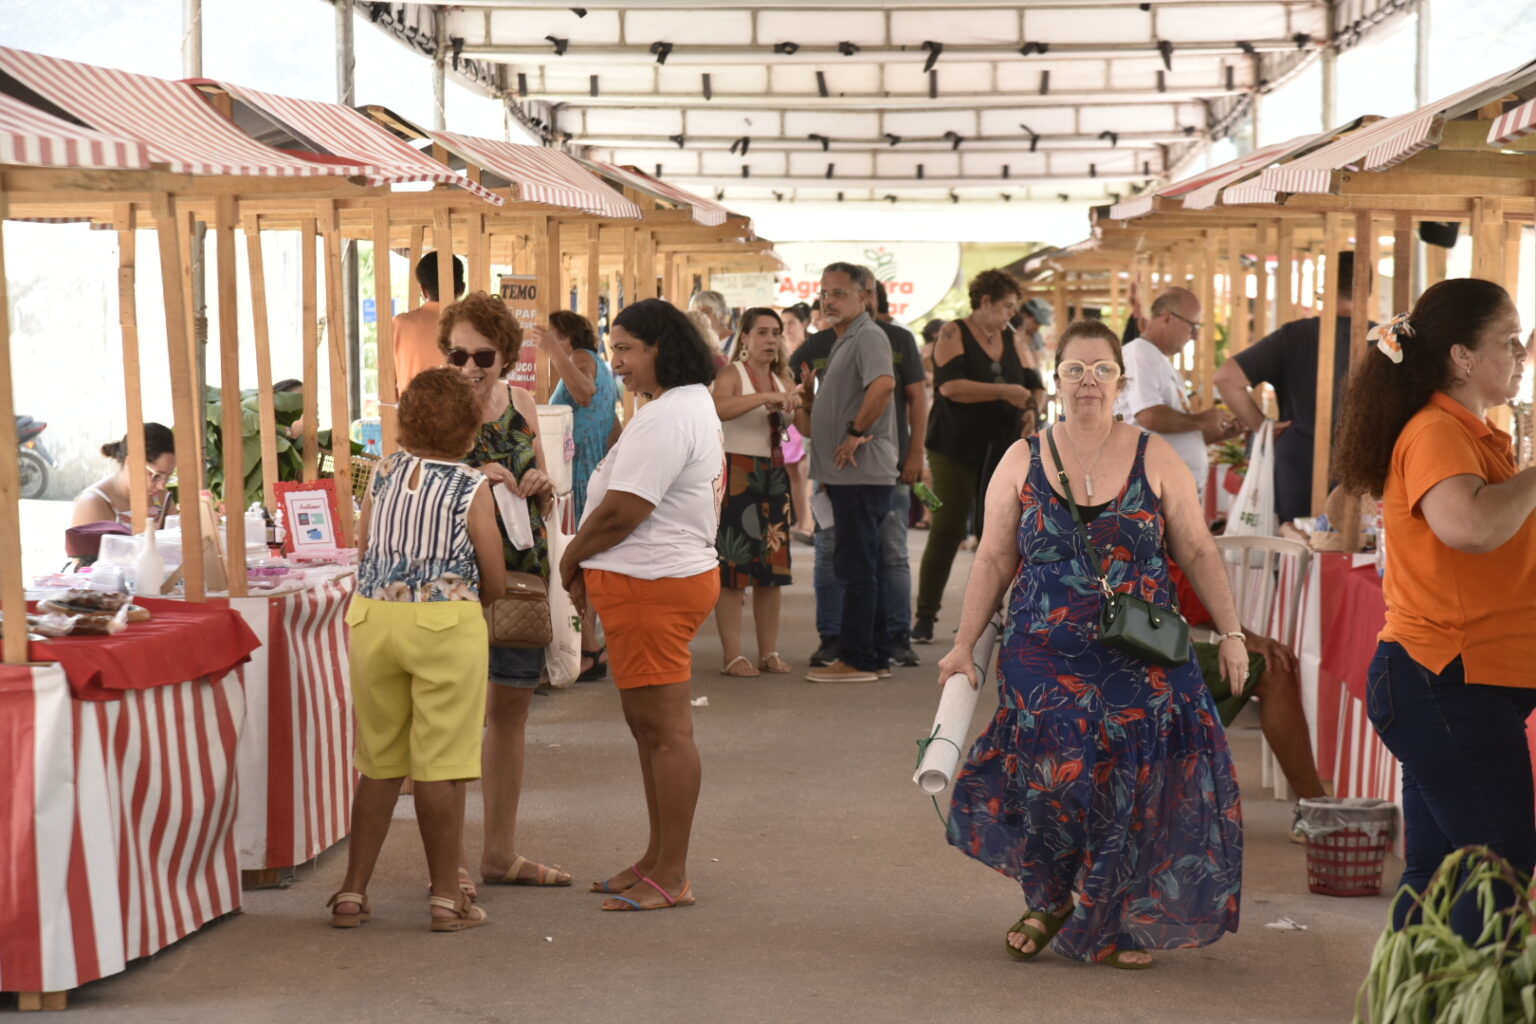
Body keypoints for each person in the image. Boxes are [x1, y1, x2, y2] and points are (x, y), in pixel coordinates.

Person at [940, 319, 1246, 968]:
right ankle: (1051, 897)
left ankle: (1115, 919)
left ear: (1121, 380)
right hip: (1043, 654)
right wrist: (963, 645)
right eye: (1075, 370)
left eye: (1101, 370)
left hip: (1140, 654)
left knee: (1129, 785)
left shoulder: (1153, 454)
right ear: (1056, 382)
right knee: (1054, 782)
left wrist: (1232, 632)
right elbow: (994, 558)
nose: (1088, 383)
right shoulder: (1022, 458)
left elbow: (1194, 546)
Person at [1333, 278, 1536, 941]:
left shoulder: (1474, 432)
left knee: (1441, 871)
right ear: (1462, 357)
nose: (1521, 354)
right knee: (1496, 874)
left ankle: (1409, 1001)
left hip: (1455, 682)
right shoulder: (1436, 432)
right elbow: (1469, 527)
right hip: (1445, 679)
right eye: (1509, 342)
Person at [558, 298, 723, 911]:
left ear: (661, 348)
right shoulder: (677, 407)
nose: (615, 361)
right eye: (615, 347)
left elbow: (627, 508)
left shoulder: (669, 415)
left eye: (626, 348)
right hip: (651, 581)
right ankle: (656, 858)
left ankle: (672, 872)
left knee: (665, 733)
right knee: (649, 729)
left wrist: (572, 557)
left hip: (654, 585)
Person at [327, 367, 503, 933]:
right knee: (440, 767)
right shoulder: (470, 486)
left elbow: (363, 546)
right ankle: (447, 898)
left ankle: (352, 891)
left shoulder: (381, 473)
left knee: (379, 762)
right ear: (471, 427)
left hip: (374, 620)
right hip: (444, 626)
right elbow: (494, 575)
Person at [444, 292, 567, 890]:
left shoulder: (522, 401)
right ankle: (451, 864)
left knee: (511, 710)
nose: (468, 368)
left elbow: (545, 485)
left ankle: (499, 851)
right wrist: (473, 476)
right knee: (455, 717)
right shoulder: (436, 405)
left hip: (520, 571)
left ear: (507, 356)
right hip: (455, 574)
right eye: (457, 354)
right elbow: (416, 476)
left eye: (481, 356)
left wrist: (539, 484)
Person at [792, 274, 927, 669]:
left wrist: (854, 433)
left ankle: (858, 658)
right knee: (861, 563)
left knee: (858, 567)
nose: (828, 301)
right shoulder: (844, 338)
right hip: (844, 473)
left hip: (861, 470)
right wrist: (808, 398)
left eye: (838, 293)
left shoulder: (868, 336)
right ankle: (875, 652)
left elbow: (884, 385)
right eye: (823, 294)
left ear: (865, 297)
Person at [913, 269, 1043, 645]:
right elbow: (951, 387)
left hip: (1002, 449)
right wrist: (1003, 392)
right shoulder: (954, 332)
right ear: (984, 302)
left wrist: (1032, 409)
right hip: (954, 446)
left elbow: (1034, 384)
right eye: (1005, 306)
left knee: (997, 531)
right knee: (949, 526)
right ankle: (925, 614)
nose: (1009, 314)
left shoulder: (1012, 337)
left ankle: (993, 615)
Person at [1215, 252, 1360, 523]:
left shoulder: (1294, 336)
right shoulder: (1383, 342)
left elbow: (1226, 378)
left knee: (1294, 553)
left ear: (1324, 289)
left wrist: (1262, 425)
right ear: (1367, 290)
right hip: (1362, 469)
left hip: (1299, 467)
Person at [535, 309, 621, 682]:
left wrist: (554, 352)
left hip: (579, 473)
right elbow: (613, 426)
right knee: (584, 562)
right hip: (595, 468)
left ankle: (589, 648)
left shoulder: (580, 360)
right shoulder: (600, 364)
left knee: (571, 560)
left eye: (552, 335)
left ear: (565, 337)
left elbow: (583, 395)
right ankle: (590, 645)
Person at [711, 308, 798, 676]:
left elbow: (801, 425)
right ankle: (733, 654)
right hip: (739, 471)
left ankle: (769, 652)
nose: (770, 340)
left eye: (775, 333)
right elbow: (719, 408)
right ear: (744, 338)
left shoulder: (781, 378)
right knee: (734, 567)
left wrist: (800, 399)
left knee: (772, 570)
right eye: (761, 332)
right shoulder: (733, 374)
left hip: (774, 473)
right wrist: (764, 399)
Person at [1116, 287, 1242, 495]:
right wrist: (1200, 420)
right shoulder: (1140, 353)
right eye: (1192, 327)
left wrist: (1213, 433)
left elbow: (1166, 432)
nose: (1196, 336)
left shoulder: (1158, 359)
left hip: (1168, 490)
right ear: (1166, 318)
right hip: (1150, 490)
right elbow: (1149, 416)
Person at [73, 422, 177, 527]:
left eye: (168, 477)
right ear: (131, 463)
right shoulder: (93, 504)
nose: (162, 486)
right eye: (156, 476)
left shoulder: (162, 499)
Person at [392, 252, 466, 389]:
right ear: (462, 288)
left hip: (412, 409)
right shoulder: (474, 326)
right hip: (464, 409)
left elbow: (388, 384)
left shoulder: (400, 324)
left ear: (423, 290)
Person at [781, 303, 815, 542]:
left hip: (808, 410)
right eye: (783, 324)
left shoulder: (812, 348)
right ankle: (802, 521)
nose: (786, 328)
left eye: (791, 322)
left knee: (806, 468)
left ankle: (810, 522)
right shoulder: (781, 350)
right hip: (788, 412)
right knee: (793, 470)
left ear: (803, 324)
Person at [689, 289, 735, 359]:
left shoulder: (737, 341)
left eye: (705, 312)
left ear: (721, 314)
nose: (700, 317)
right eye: (695, 314)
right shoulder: (693, 342)